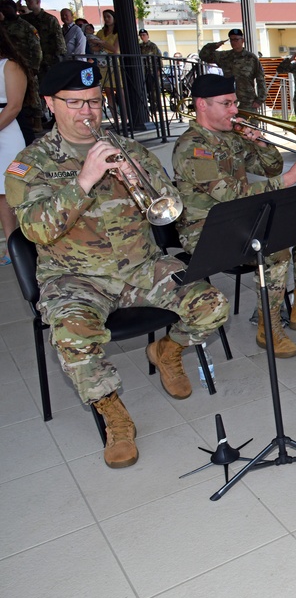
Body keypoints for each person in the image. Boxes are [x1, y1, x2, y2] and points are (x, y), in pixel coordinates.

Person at [4, 60, 230, 468]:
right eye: (74, 103)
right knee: (73, 336)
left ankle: (167, 350)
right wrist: (84, 180)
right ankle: (113, 411)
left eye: (93, 102)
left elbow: (169, 207)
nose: (87, 112)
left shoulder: (126, 146)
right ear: (50, 104)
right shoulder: (30, 164)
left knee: (212, 303)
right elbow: (36, 231)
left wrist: (140, 173)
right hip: (75, 278)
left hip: (139, 266)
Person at [171, 74, 296, 358]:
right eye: (226, 104)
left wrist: (261, 144)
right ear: (202, 105)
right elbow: (233, 194)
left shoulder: (230, 138)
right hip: (206, 232)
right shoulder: (193, 148)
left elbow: (271, 168)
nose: (235, 110)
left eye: (235, 103)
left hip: (240, 220)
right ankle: (269, 325)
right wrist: (291, 179)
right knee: (275, 249)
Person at [0, 27, 28, 266]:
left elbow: (14, 105)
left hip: (6, 134)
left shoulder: (9, 65)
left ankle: (29, 241)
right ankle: (11, 246)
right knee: (0, 195)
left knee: (12, 190)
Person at [0, 0, 41, 146]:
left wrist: (34, 68)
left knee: (32, 103)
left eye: (7, 7)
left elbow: (36, 48)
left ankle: (38, 120)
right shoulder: (5, 25)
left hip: (26, 68)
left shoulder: (26, 26)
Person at [198, 29, 266, 111]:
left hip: (248, 102)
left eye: (236, 39)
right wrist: (215, 45)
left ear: (242, 40)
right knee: (229, 123)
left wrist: (260, 99)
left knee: (248, 124)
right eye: (231, 40)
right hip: (229, 102)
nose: (234, 42)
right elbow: (203, 55)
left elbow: (260, 79)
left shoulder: (251, 58)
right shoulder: (224, 56)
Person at [19, 0, 65, 83]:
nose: (27, 4)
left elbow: (59, 41)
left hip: (47, 61)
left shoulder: (49, 19)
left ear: (38, 2)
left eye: (29, 1)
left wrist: (58, 58)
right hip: (31, 60)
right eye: (26, 1)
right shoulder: (25, 19)